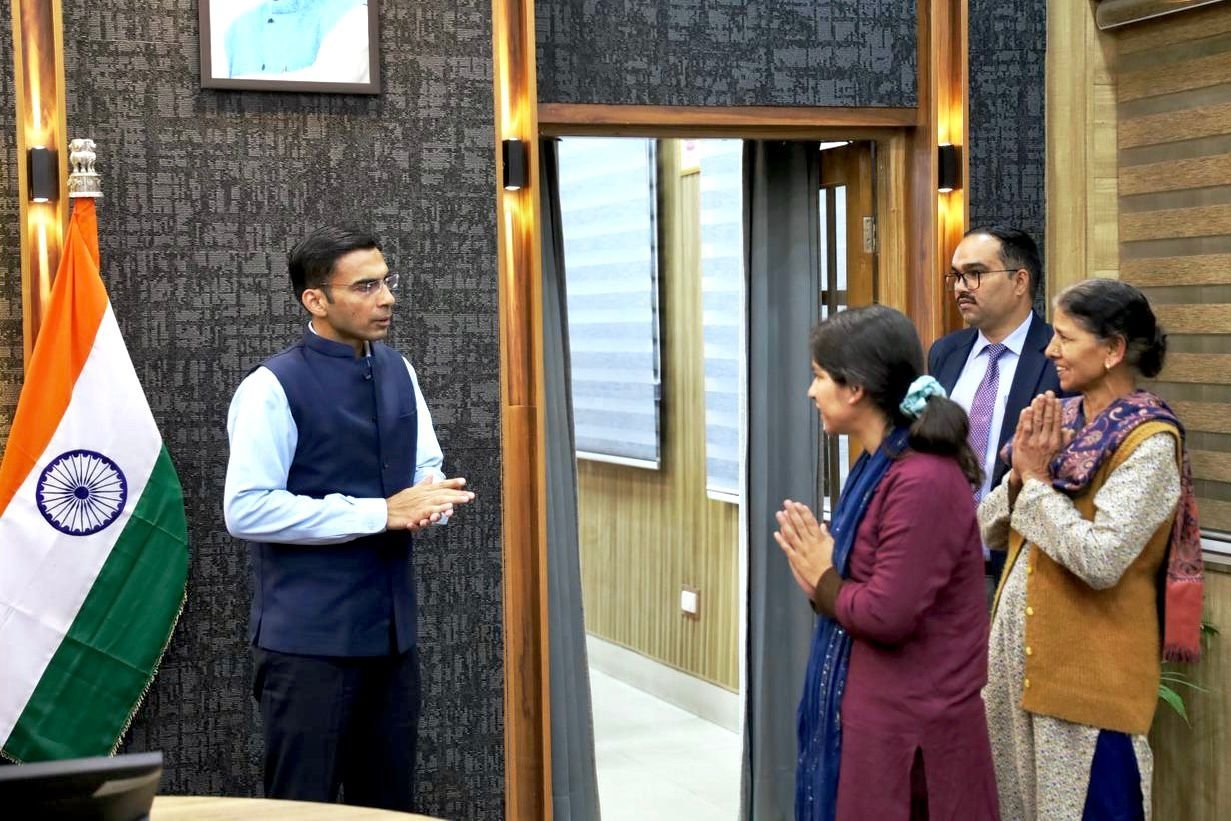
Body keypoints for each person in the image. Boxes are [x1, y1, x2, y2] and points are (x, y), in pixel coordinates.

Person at [223, 225, 475, 810]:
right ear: (316, 299)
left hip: (391, 639)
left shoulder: (399, 369)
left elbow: (424, 468)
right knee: (301, 808)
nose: (387, 298)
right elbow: (247, 508)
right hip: (308, 646)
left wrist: (431, 501)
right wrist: (381, 512)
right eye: (366, 287)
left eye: (386, 281)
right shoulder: (270, 387)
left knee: (387, 806)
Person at [978, 279, 1205, 820]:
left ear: (1113, 349)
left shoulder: (1149, 441)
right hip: (1014, 679)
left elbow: (1101, 559)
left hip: (1086, 691)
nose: (1050, 350)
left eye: (1065, 337)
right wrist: (1018, 480)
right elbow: (986, 527)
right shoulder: (1057, 421)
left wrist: (1034, 483)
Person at [775, 305, 998, 820]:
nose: (811, 392)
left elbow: (886, 613)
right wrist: (823, 583)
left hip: (914, 734)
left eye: (819, 377)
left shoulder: (923, 479)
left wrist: (824, 580)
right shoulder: (878, 462)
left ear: (855, 388)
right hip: (880, 719)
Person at [929, 226, 1062, 601]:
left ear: (1020, 281)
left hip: (1016, 569)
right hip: (938, 566)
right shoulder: (945, 353)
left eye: (975, 274)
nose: (961, 287)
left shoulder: (1058, 358)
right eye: (956, 276)